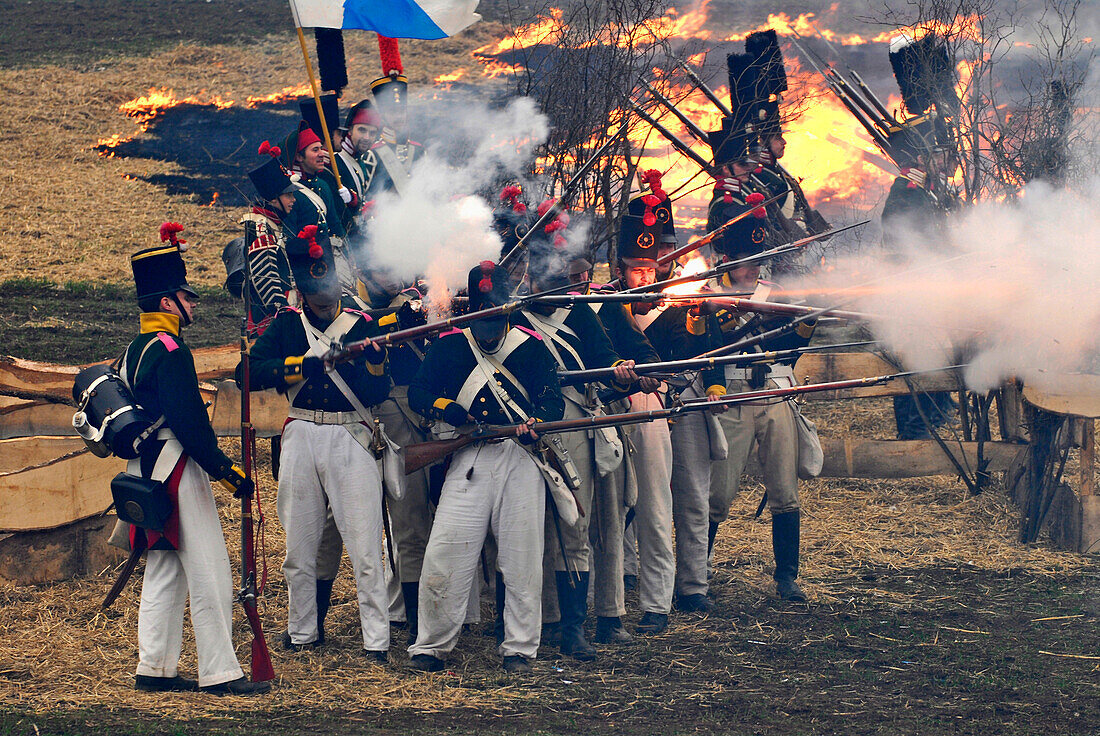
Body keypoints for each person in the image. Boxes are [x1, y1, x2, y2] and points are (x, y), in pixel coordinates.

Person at [125, 225, 270, 696]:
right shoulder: (171, 350)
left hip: (145, 470)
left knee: (164, 568)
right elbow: (190, 424)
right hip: (177, 469)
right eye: (186, 296)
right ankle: (220, 672)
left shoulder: (134, 349)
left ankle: (155, 667)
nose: (192, 304)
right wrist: (228, 474)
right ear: (169, 302)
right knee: (210, 571)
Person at [243, 228, 394, 660]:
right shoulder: (289, 324)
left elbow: (378, 391)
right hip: (302, 431)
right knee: (299, 548)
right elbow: (249, 372)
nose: (325, 303)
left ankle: (376, 641)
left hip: (352, 432)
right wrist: (302, 365)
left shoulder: (363, 324)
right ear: (304, 294)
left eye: (329, 293)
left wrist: (376, 360)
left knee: (366, 549)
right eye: (317, 296)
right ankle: (303, 631)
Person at [407, 261, 564, 674]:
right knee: (446, 552)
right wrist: (447, 409)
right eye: (484, 316)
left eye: (497, 316)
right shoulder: (450, 346)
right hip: (469, 454)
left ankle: (519, 648)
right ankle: (431, 645)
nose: (490, 326)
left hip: (519, 456)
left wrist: (536, 426)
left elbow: (552, 402)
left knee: (521, 558)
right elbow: (419, 394)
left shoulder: (530, 347)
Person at [516, 231, 642, 661]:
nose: (554, 288)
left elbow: (603, 358)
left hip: (576, 421)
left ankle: (576, 627)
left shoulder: (581, 313)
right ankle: (543, 619)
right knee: (530, 528)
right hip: (525, 426)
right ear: (531, 277)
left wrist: (618, 371)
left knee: (579, 526)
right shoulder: (513, 316)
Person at [700, 222, 817, 603]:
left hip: (776, 389)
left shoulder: (776, 296)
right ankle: (696, 572)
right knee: (719, 491)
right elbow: (710, 351)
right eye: (747, 262)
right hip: (732, 391)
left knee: (785, 489)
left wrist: (805, 320)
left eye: (759, 262)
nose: (753, 269)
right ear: (728, 262)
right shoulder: (708, 298)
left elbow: (791, 351)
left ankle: (787, 577)